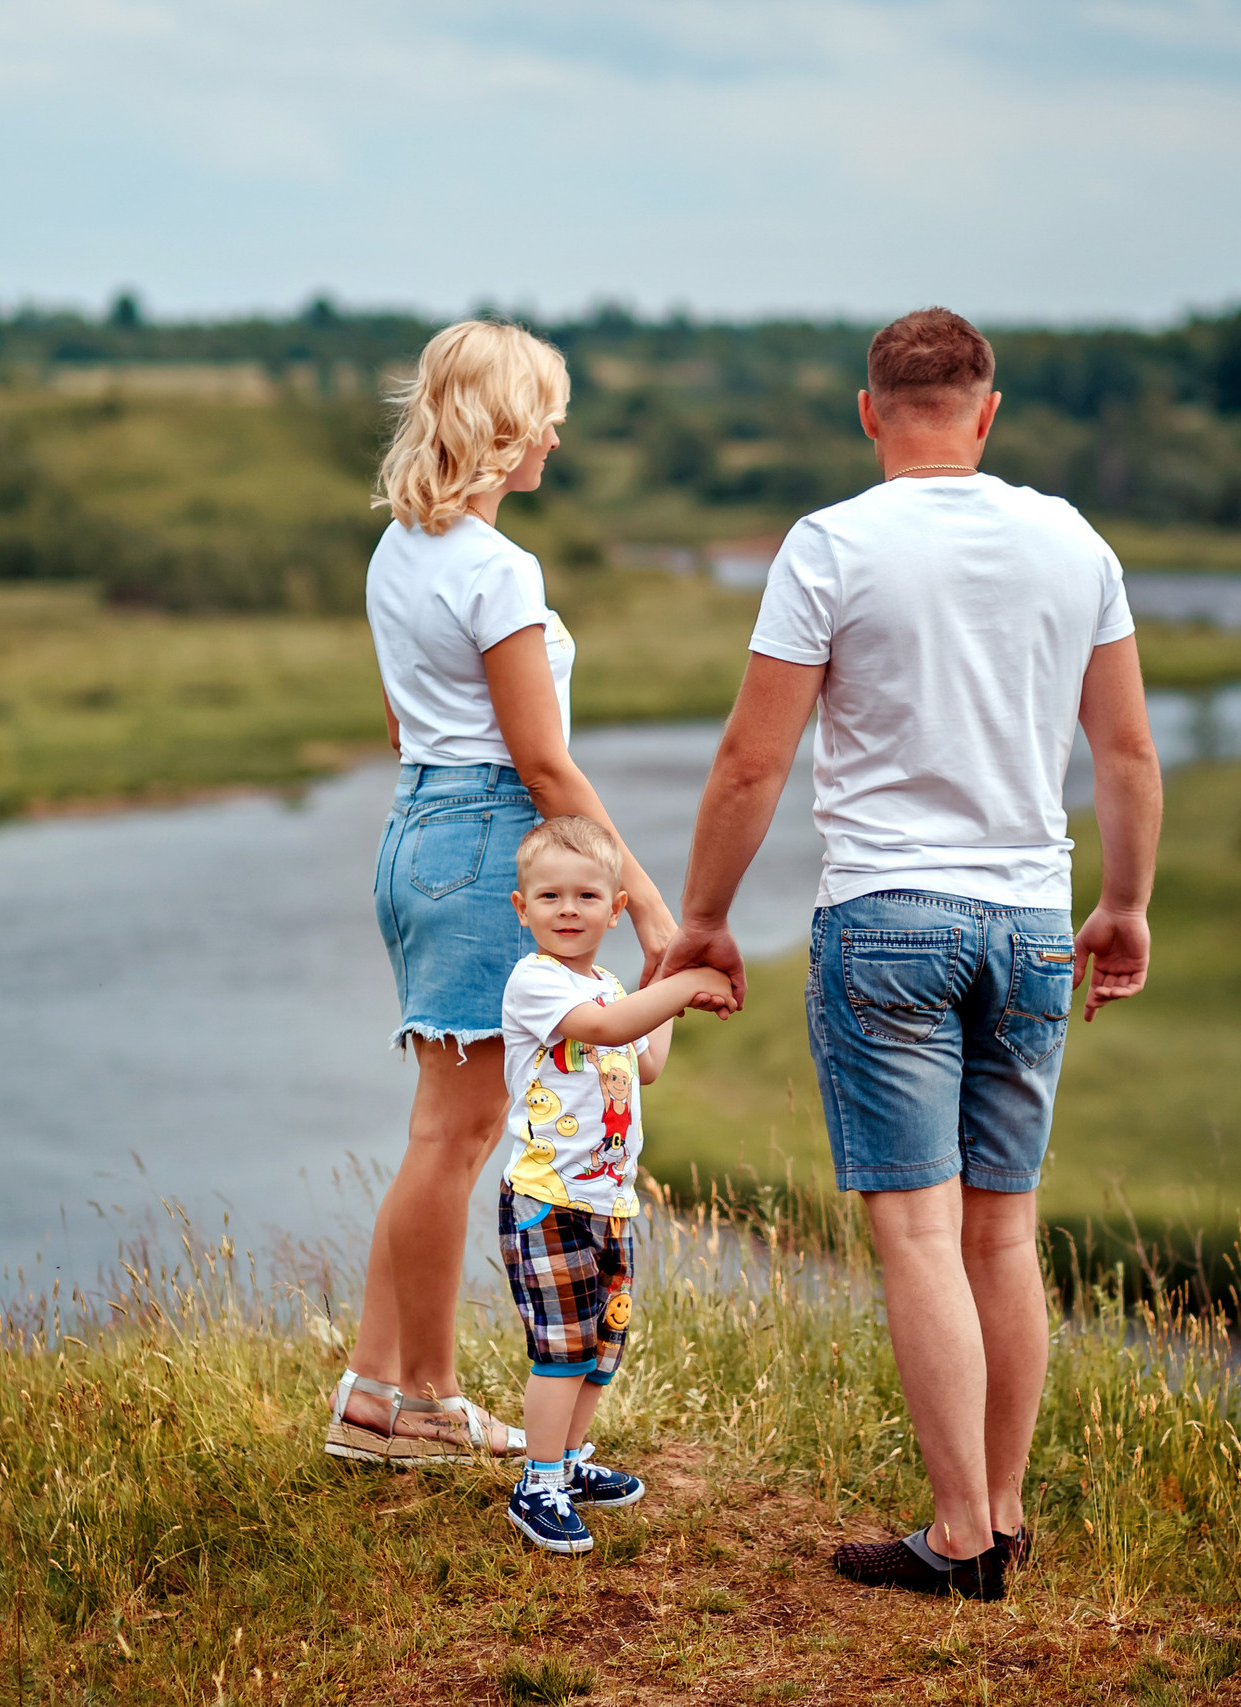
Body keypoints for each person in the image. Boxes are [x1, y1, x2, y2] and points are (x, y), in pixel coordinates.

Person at [651, 308, 1163, 1596]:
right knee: (1004, 1235)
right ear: (987, 412)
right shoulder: (1072, 543)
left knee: (923, 1241)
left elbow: (752, 760)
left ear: (870, 411)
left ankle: (956, 1538)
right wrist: (1126, 903)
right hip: (1032, 922)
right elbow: (1127, 754)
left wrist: (703, 918)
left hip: (888, 921)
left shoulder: (829, 546)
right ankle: (1000, 1516)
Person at [327, 320, 697, 1464]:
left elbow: (403, 719)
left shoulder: (401, 550)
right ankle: (422, 1402)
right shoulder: (497, 568)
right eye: (545, 409)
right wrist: (639, 898)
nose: (557, 431)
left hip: (416, 828)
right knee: (459, 1131)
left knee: (442, 1131)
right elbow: (541, 763)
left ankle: (373, 1397)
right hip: (487, 836)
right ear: (500, 426)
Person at [492, 815, 734, 1553]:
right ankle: (536, 1483)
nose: (568, 909)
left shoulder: (612, 984)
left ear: (616, 907)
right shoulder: (536, 980)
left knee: (601, 1346)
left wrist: (669, 991)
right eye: (551, 895)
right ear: (522, 907)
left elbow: (645, 1060)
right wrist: (686, 979)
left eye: (587, 895)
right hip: (548, 1203)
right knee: (560, 1348)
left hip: (609, 1202)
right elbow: (602, 1031)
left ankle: (566, 1462)